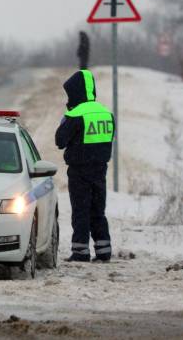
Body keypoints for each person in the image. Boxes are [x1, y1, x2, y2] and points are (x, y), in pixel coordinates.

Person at [55, 69, 115, 262]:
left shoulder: (76, 114)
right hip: (100, 170)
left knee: (81, 211)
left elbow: (60, 141)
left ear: (76, 92)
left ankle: (80, 253)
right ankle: (104, 251)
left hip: (79, 171)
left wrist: (65, 120)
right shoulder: (106, 113)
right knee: (98, 211)